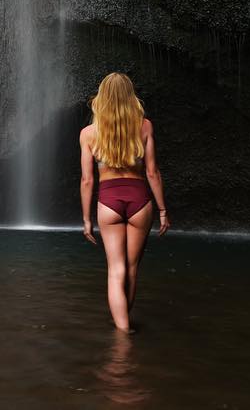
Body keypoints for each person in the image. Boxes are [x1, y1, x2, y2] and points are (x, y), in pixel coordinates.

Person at [79, 71, 170, 333]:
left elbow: (87, 180)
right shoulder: (145, 126)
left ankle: (122, 332)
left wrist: (86, 219)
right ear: (130, 96)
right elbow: (152, 172)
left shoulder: (88, 134)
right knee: (131, 268)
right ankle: (123, 323)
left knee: (115, 269)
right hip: (140, 200)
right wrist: (163, 210)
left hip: (108, 202)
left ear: (102, 97)